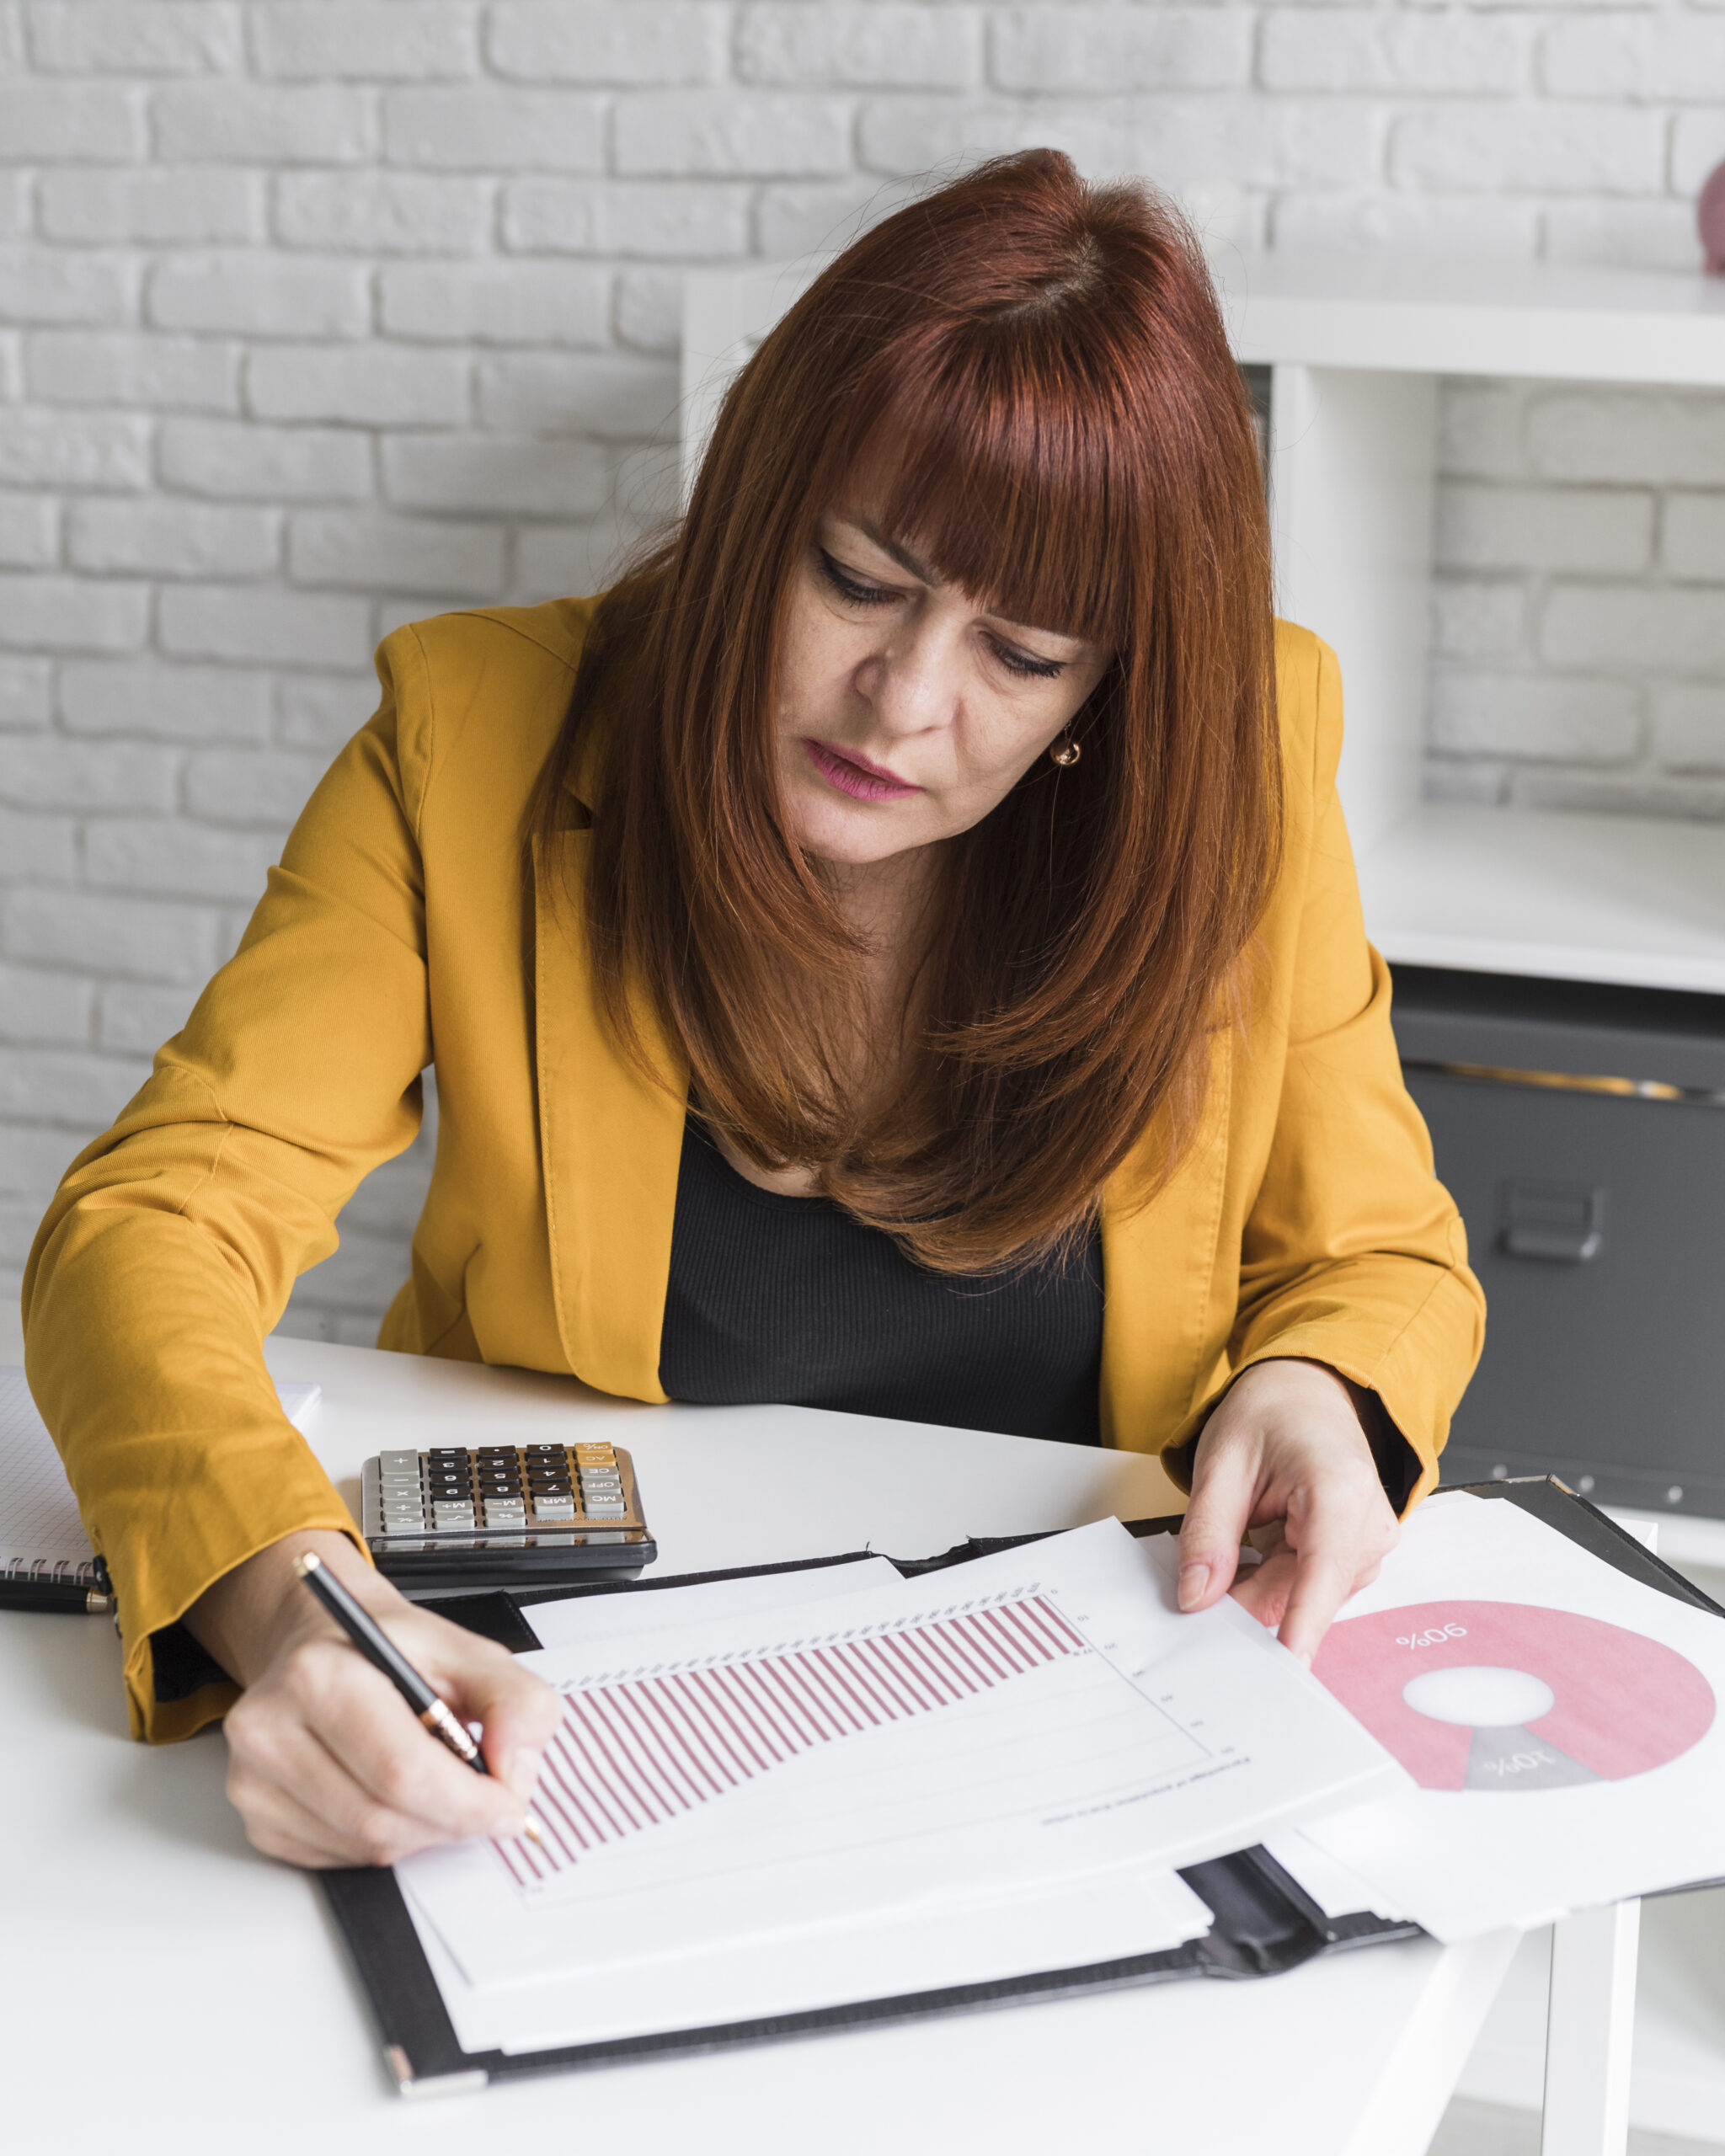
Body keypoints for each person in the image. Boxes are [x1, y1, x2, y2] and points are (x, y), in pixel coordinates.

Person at [23, 151, 1483, 1870]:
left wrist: (1320, 1383)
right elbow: (152, 1218)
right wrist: (292, 1604)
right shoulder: (472, 736)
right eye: (859, 578)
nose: (906, 698)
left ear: (1110, 686)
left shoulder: (1236, 759)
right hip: (569, 1700)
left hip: (1077, 1695)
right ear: (751, 509)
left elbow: (1379, 1257)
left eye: (1024, 654)